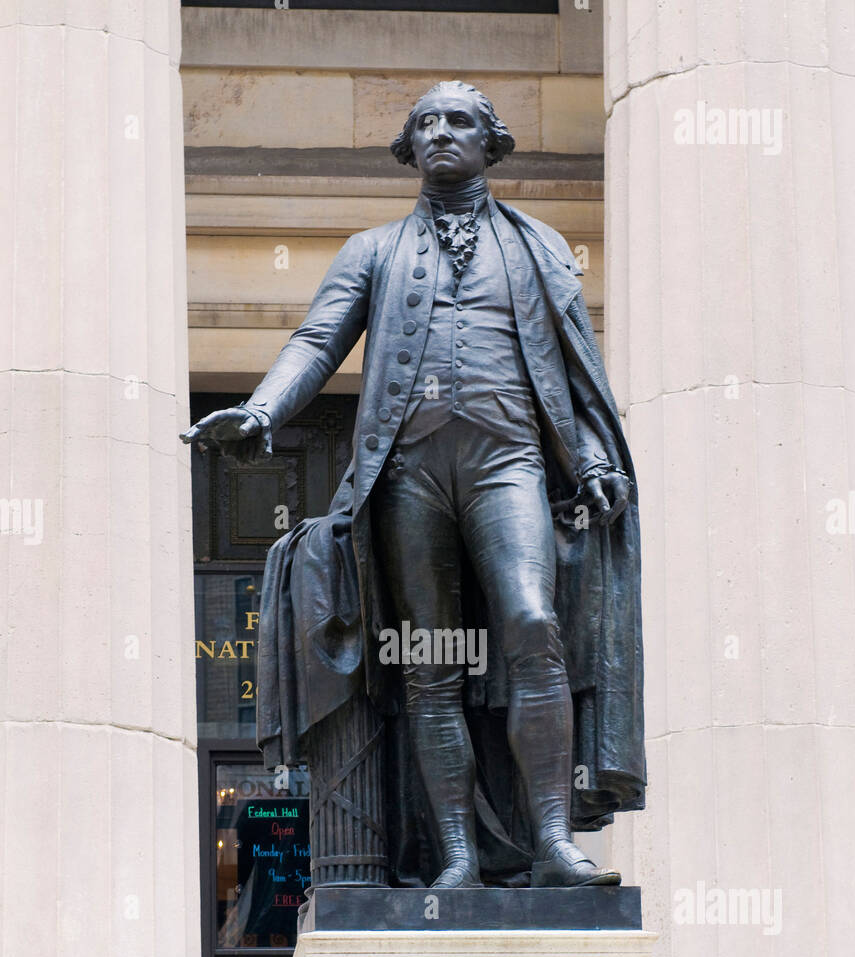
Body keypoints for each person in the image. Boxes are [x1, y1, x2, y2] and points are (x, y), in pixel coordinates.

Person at [182, 82, 645, 889]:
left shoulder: (539, 245)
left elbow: (580, 371)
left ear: (489, 141)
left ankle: (552, 845)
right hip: (409, 475)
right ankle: (458, 856)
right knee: (430, 660)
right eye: (423, 123)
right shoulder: (373, 250)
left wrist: (598, 458)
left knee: (534, 623)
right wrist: (260, 414)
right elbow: (318, 340)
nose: (439, 133)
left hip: (510, 464)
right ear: (409, 148)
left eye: (457, 121)